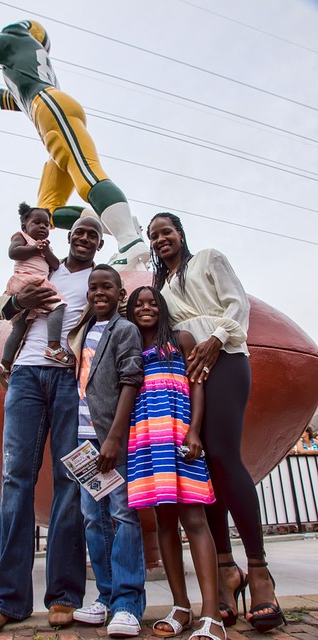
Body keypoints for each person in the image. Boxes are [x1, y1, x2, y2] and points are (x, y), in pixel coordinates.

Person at [0, 216, 105, 634]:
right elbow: (0, 308)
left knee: (70, 480)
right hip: (24, 375)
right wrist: (15, 303)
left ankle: (64, 595)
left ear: (99, 244)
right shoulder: (46, 267)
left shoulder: (98, 279)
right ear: (69, 237)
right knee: (15, 480)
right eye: (78, 232)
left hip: (67, 378)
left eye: (92, 235)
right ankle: (7, 600)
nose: (84, 238)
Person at [147, 212, 285, 634]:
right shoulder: (160, 288)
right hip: (186, 367)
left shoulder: (208, 258)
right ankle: (226, 570)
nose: (160, 239)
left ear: (181, 234)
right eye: (153, 235)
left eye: (166, 231)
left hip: (222, 355)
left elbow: (236, 304)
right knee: (202, 467)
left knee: (225, 456)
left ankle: (259, 572)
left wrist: (215, 340)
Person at [0, 18, 149, 271]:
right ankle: (123, 222)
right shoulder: (21, 70)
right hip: (46, 110)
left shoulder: (15, 38)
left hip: (49, 105)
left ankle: (129, 241)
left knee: (87, 173)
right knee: (47, 211)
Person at [126, 286, 225, 640]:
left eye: (152, 302)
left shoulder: (181, 339)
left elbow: (197, 384)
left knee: (195, 519)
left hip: (180, 434)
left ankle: (210, 613)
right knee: (164, 520)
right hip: (146, 439)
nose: (146, 308)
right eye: (138, 304)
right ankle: (181, 605)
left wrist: (194, 431)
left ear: (162, 307)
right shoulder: (129, 344)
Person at [69, 265, 146, 637]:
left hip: (111, 440)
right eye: (93, 287)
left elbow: (131, 381)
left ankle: (129, 602)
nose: (99, 292)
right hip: (85, 443)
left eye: (107, 287)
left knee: (123, 515)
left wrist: (114, 439)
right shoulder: (84, 332)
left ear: (120, 294)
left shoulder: (125, 329)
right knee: (93, 517)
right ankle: (106, 596)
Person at [0, 202, 73, 388]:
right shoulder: (23, 239)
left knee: (19, 327)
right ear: (24, 227)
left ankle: (4, 364)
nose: (43, 227)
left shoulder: (45, 248)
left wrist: (44, 251)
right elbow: (13, 252)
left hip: (31, 282)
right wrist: (36, 248)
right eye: (37, 223)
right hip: (28, 281)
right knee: (58, 305)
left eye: (46, 224)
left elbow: (54, 265)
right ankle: (53, 346)